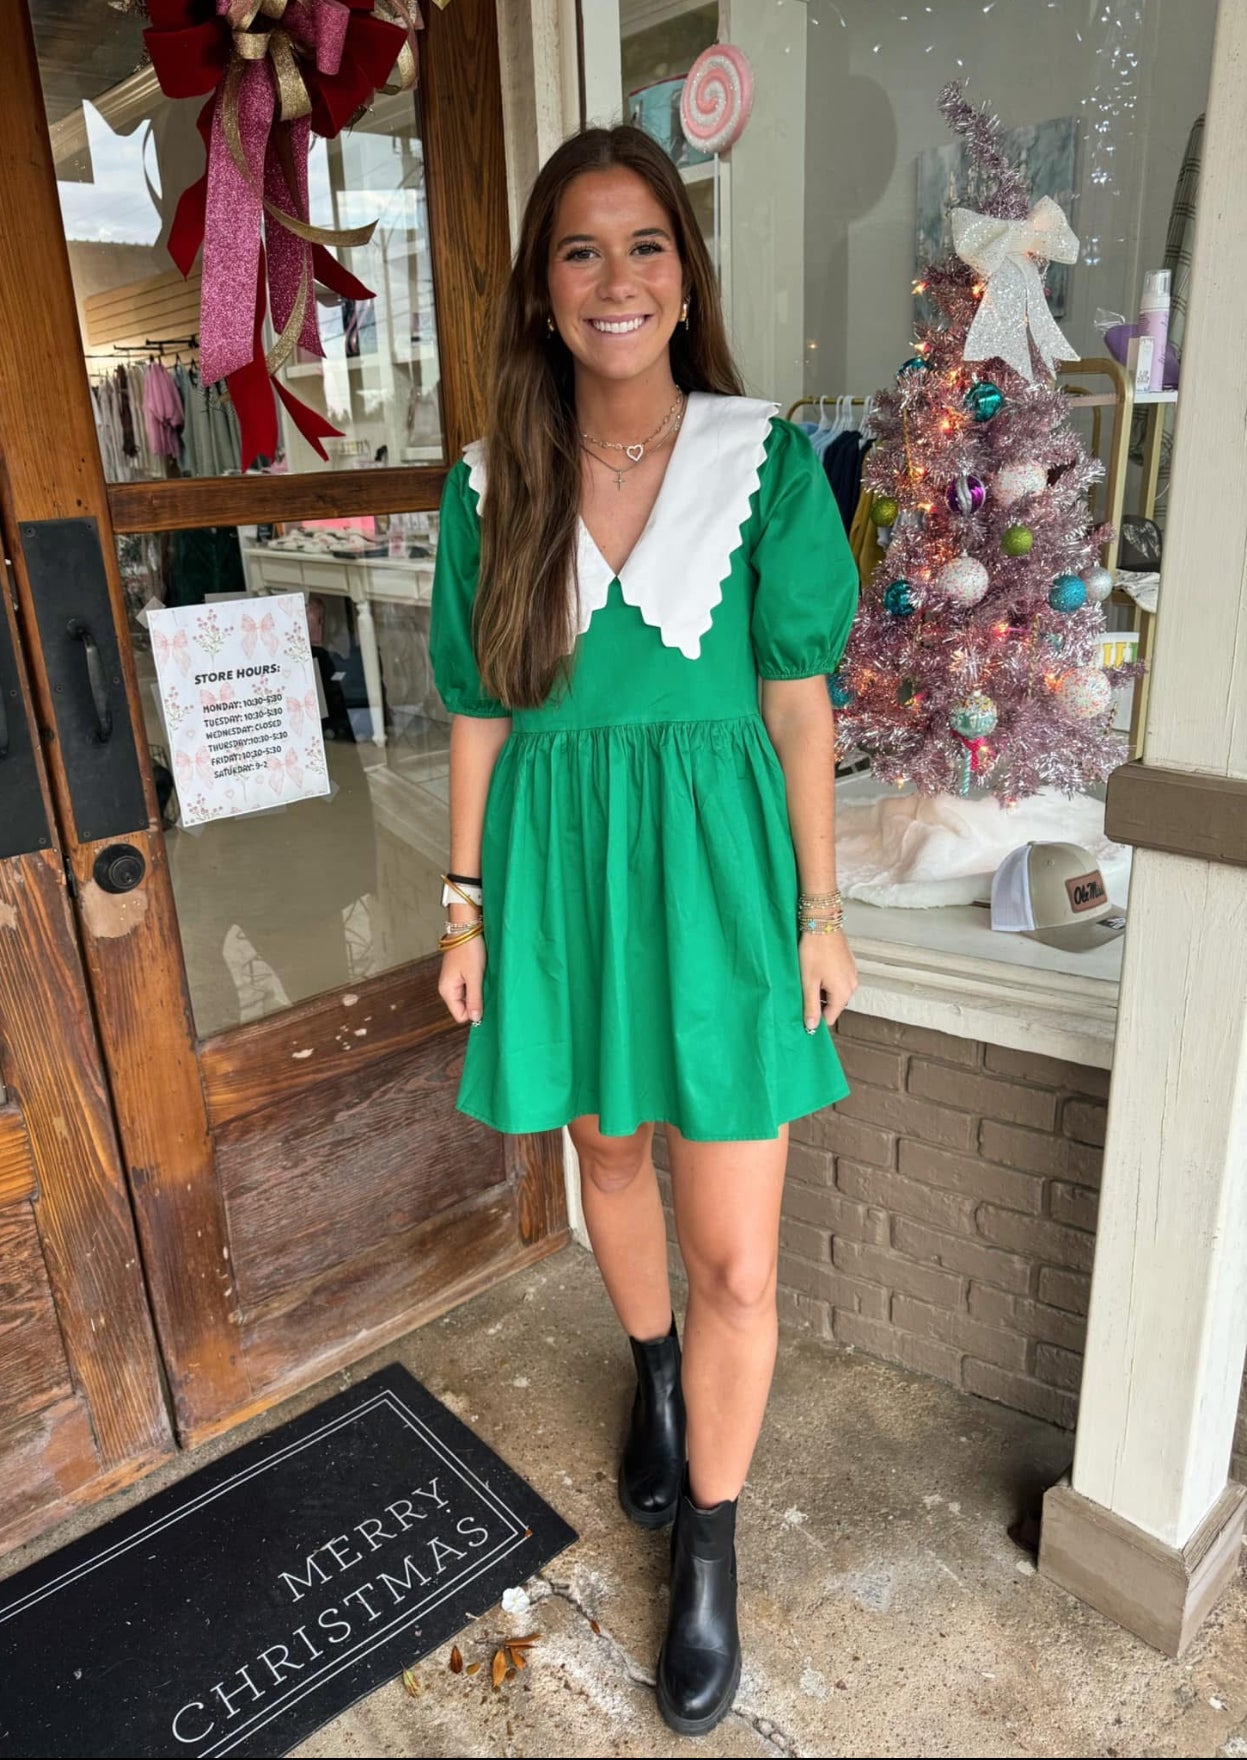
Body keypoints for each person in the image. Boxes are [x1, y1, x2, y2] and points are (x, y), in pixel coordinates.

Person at [430, 125, 858, 1737]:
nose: (618, 280)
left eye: (647, 246)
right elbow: (479, 712)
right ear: (544, 292)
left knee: (740, 1255)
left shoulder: (768, 458)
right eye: (582, 253)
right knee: (607, 1161)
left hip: (727, 882)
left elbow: (802, 711)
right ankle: (654, 1378)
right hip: (562, 874)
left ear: (687, 276)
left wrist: (821, 912)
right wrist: (465, 902)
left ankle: (710, 1555)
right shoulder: (491, 481)